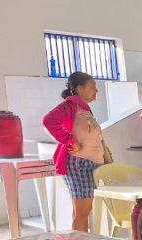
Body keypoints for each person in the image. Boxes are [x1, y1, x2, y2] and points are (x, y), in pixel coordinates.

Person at [42, 71, 107, 231]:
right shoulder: (70, 106)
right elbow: (48, 121)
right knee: (82, 212)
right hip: (79, 164)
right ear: (80, 89)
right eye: (93, 86)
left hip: (91, 163)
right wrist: (70, 140)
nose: (96, 90)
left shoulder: (84, 108)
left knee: (84, 211)